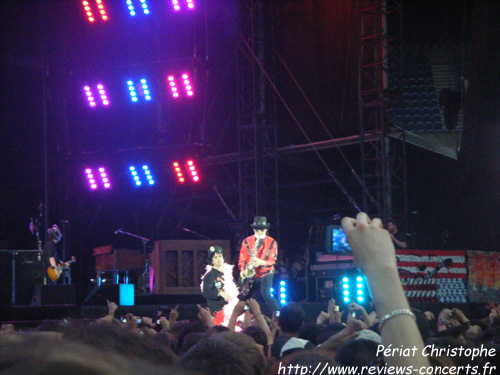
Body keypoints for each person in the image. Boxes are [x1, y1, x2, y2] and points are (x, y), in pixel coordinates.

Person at [238, 216, 280, 314]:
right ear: (253, 229)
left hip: (267, 272)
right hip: (251, 272)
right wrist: (243, 269)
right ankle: (244, 317)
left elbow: (272, 260)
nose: (260, 232)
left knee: (266, 294)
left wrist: (260, 262)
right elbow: (242, 258)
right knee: (245, 296)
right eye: (257, 230)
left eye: (262, 230)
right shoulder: (246, 241)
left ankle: (279, 315)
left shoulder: (272, 242)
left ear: (266, 229)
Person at [201, 246, 239, 326]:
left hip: (231, 308)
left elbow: (237, 289)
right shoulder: (210, 275)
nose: (218, 259)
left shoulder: (228, 273)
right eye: (215, 257)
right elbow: (206, 292)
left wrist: (243, 278)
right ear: (212, 261)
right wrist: (220, 293)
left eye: (220, 256)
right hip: (218, 310)